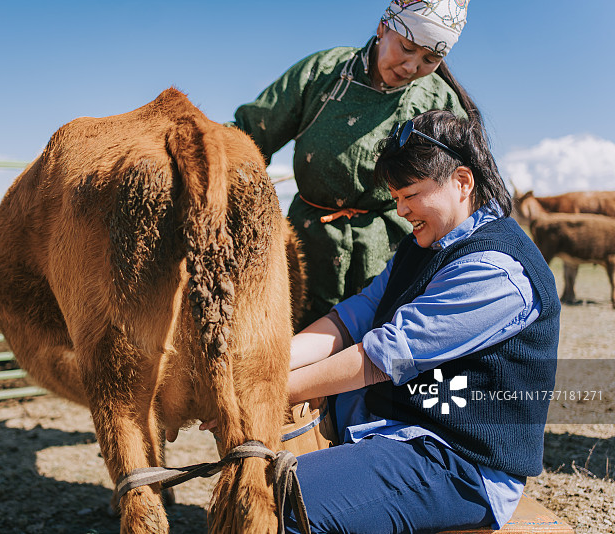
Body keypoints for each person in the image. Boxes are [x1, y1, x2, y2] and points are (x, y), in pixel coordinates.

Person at [281, 109, 561, 533]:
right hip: (406, 427)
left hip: (458, 459)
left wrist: (266, 391)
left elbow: (383, 357)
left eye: (409, 194)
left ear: (462, 182)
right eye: (395, 198)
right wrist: (271, 365)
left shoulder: (497, 270)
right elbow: (353, 316)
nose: (400, 209)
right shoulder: (423, 245)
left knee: (285, 501)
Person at [230, 0, 476, 328]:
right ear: (383, 28)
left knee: (376, 357)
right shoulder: (324, 72)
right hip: (306, 250)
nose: (411, 66)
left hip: (391, 258)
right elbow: (248, 134)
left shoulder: (440, 103)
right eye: (406, 47)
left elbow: (462, 201)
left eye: (430, 59)